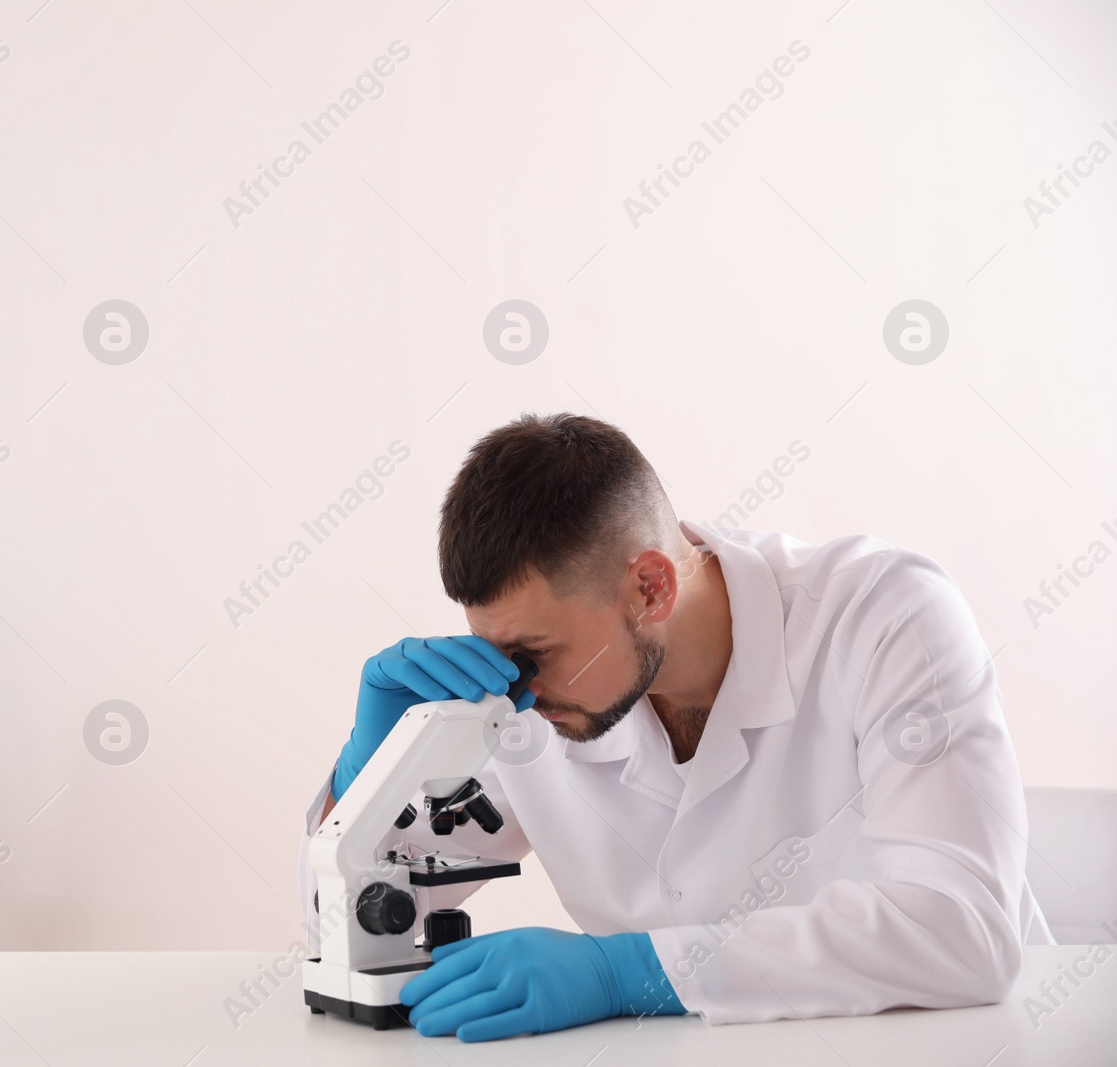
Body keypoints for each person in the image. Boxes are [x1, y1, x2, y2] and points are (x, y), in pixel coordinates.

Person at [298, 413, 1048, 1041]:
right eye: (498, 655)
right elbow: (353, 928)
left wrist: (633, 970)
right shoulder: (539, 704)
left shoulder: (882, 616)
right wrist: (366, 775)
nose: (515, 692)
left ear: (650, 586)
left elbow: (964, 930)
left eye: (534, 654)